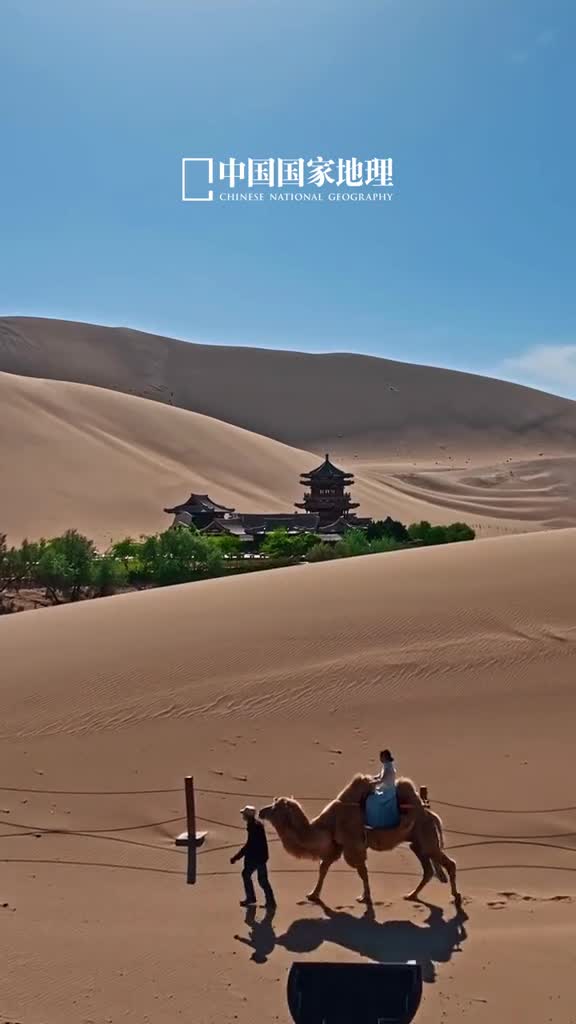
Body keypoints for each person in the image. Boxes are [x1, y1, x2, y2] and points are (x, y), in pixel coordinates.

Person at [230, 805, 276, 909]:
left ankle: (252, 898)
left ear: (247, 816)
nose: (243, 816)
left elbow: (249, 845)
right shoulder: (257, 825)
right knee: (262, 880)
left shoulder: (253, 827)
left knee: (248, 875)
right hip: (262, 857)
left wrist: (236, 857)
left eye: (244, 815)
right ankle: (270, 901)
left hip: (256, 858)